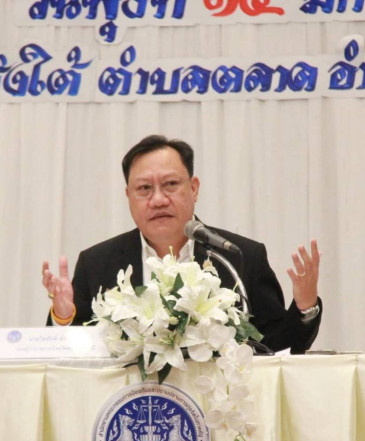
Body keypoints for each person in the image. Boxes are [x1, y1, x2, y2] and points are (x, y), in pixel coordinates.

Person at [42, 135, 322, 353]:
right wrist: (63, 317)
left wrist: (305, 305)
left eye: (170, 184)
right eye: (144, 189)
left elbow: (276, 347)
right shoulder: (97, 263)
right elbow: (74, 355)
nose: (158, 200)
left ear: (194, 188)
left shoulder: (238, 257)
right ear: (128, 196)